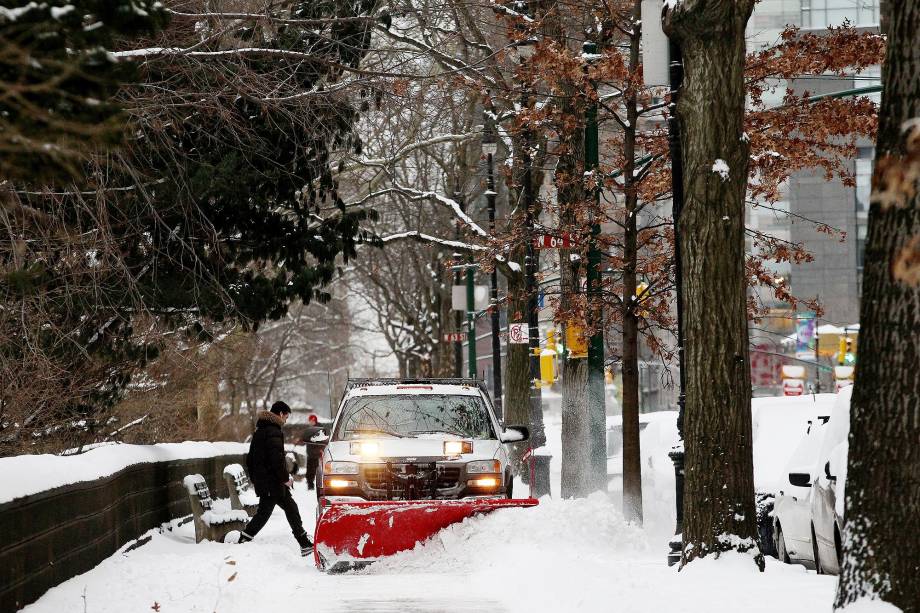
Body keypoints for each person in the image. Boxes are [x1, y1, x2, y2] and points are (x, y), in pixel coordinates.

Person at [239, 401, 313, 556]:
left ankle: (304, 542)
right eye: (286, 417)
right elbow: (276, 459)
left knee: (290, 507)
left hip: (269, 481)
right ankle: (243, 540)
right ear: (280, 414)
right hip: (271, 482)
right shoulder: (273, 431)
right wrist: (285, 478)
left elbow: (250, 459)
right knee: (265, 513)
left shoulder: (262, 430)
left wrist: (257, 478)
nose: (285, 421)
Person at [301, 414, 329, 490]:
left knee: (318, 469)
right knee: (310, 469)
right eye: (310, 421)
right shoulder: (310, 429)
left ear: (314, 420)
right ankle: (310, 484)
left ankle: (321, 485)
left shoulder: (319, 429)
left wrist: (320, 449)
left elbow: (322, 440)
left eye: (311, 420)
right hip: (311, 453)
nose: (310, 422)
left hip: (317, 453)